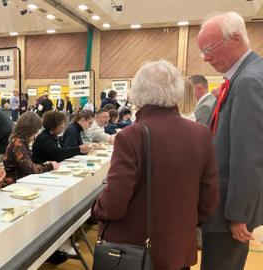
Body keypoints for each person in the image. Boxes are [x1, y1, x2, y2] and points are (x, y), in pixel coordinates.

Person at [92, 60, 219, 270]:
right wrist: (183, 223)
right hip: (178, 248)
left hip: (135, 250)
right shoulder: (201, 134)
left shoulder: (131, 136)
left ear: (138, 93)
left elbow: (114, 201)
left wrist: (97, 210)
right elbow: (209, 198)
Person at [198, 12, 263, 270]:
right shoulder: (243, 76)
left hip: (228, 211)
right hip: (225, 204)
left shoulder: (248, 81)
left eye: (209, 48)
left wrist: (238, 215)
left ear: (235, 38)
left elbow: (249, 156)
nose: (205, 57)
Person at [3, 111, 59, 186]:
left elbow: (27, 165)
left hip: (18, 181)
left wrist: (43, 165)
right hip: (15, 184)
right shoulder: (18, 144)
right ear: (30, 130)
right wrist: (50, 166)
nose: (36, 133)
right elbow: (29, 169)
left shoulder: (17, 141)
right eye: (35, 131)